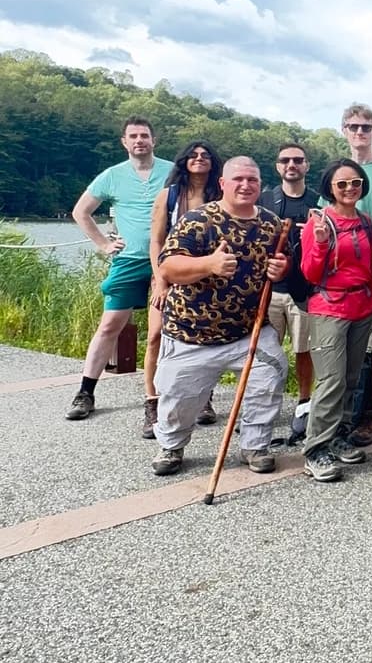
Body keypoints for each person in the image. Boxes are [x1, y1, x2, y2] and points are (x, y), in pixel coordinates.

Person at [151, 157, 290, 476]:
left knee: (270, 374)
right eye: (238, 179)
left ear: (260, 185)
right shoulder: (197, 220)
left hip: (247, 329)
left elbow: (285, 262)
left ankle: (255, 445)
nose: (245, 185)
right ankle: (171, 445)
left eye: (252, 180)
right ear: (223, 184)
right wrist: (208, 265)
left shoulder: (271, 223)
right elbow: (168, 267)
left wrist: (281, 269)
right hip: (191, 331)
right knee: (180, 396)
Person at [66, 116, 172, 422]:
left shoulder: (171, 172)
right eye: (133, 136)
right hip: (128, 260)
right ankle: (86, 391)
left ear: (154, 140)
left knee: (165, 330)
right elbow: (80, 211)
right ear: (124, 142)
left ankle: (176, 396)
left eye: (145, 136)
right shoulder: (112, 176)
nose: (140, 141)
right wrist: (102, 243)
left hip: (166, 262)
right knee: (110, 324)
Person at [299, 159, 372, 483]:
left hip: (361, 305)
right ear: (330, 189)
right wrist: (320, 242)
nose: (350, 189)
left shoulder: (363, 220)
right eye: (342, 184)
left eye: (355, 183)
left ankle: (337, 435)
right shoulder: (321, 222)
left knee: (350, 377)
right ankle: (315, 449)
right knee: (331, 380)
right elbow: (309, 273)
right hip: (330, 307)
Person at [146, 139, 224, 439]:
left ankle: (204, 398)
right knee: (155, 336)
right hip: (170, 275)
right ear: (184, 161)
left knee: (207, 339)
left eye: (205, 154)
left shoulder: (219, 195)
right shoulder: (169, 196)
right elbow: (156, 241)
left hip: (209, 279)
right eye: (193, 155)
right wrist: (160, 279)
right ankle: (152, 402)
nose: (199, 158)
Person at [339, 103, 372, 446]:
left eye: (366, 127)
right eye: (353, 126)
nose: (360, 132)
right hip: (340, 276)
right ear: (343, 129)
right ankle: (340, 414)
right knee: (341, 346)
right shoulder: (336, 170)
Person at [263, 140, 320, 445]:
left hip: (305, 290)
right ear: (278, 166)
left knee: (304, 351)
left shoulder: (317, 202)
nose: (292, 165)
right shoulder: (266, 200)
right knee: (265, 351)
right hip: (270, 290)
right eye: (285, 160)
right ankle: (264, 407)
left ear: (306, 166)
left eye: (298, 160)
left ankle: (304, 404)